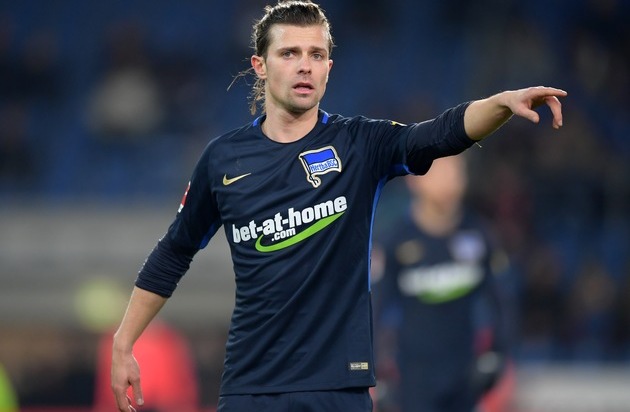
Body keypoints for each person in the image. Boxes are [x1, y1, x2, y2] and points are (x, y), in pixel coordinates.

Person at [110, 1, 566, 411]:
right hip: (251, 386)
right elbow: (174, 252)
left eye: (316, 54)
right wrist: (124, 343)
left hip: (339, 390)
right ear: (260, 65)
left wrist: (500, 105)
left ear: (329, 66)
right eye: (289, 53)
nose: (304, 66)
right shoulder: (223, 159)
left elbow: (440, 133)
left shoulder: (359, 144)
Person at [371, 155, 513, 412]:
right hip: (414, 380)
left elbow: (502, 302)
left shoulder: (480, 235)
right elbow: (374, 310)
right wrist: (376, 371)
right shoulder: (395, 242)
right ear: (415, 180)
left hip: (465, 378)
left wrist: (496, 354)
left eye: (455, 171)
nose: (448, 180)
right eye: (438, 172)